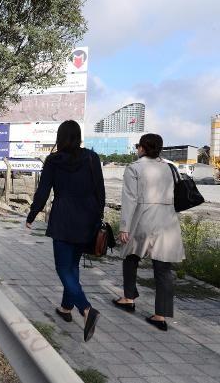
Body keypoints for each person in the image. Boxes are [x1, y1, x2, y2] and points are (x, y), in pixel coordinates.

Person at [26, 120, 103, 342]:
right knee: (72, 266)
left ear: (59, 137)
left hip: (62, 218)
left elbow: (43, 192)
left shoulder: (53, 160)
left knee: (63, 268)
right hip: (86, 219)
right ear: (78, 136)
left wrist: (32, 216)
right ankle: (66, 308)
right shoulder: (91, 157)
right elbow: (100, 190)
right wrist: (96, 218)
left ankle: (86, 309)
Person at [113, 134, 184, 331]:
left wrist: (124, 227)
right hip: (167, 219)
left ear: (142, 148)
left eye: (138, 146)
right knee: (163, 269)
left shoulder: (134, 167)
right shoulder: (170, 167)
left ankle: (128, 298)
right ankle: (160, 315)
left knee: (130, 256)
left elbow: (129, 199)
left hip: (143, 218)